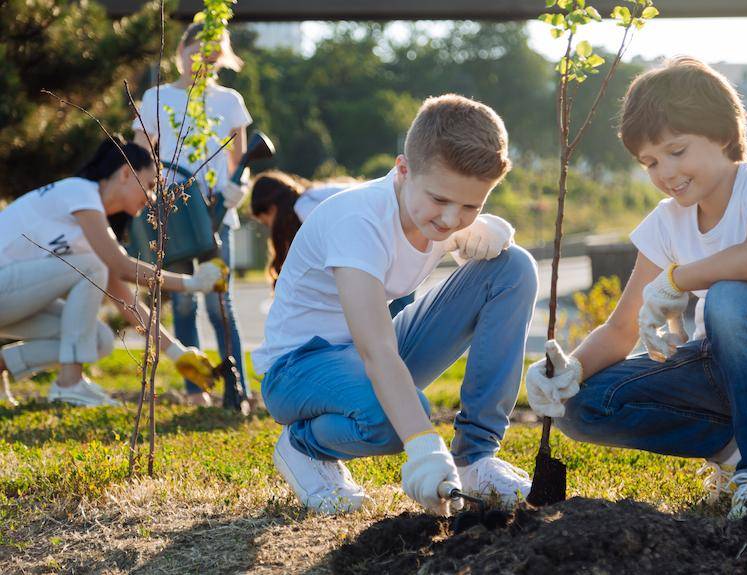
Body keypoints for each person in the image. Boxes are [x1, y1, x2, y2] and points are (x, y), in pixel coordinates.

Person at [525, 57, 747, 520]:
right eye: (650, 162)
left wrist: (676, 278)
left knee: (729, 295)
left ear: (722, 134)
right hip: (717, 371)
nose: (665, 172)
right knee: (581, 406)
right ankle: (731, 451)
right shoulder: (666, 222)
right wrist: (568, 372)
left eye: (676, 151)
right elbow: (620, 329)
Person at [252, 95, 539, 515]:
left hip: (359, 355)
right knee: (395, 420)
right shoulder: (358, 221)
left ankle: (475, 459)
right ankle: (303, 446)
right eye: (440, 199)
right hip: (298, 369)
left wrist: (482, 230)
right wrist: (424, 448)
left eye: (471, 205)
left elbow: (457, 233)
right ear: (403, 169)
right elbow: (377, 351)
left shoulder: (433, 213)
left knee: (513, 267)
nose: (450, 219)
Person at [0, 136, 228, 406]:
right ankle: (69, 384)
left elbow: (126, 300)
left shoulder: (93, 225)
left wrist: (177, 352)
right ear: (125, 173)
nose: (152, 198)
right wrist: (193, 283)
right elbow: (122, 267)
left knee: (100, 340)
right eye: (150, 185)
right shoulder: (80, 192)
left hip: (12, 298)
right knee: (93, 265)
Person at [133, 22, 253, 407]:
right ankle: (195, 390)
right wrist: (150, 193)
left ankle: (237, 389)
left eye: (211, 55)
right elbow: (139, 156)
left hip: (218, 212)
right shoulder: (157, 97)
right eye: (195, 52)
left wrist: (238, 188)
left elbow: (240, 161)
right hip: (175, 214)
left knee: (220, 302)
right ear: (181, 51)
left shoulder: (229, 101)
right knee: (184, 301)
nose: (201, 61)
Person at [249, 170, 415, 316]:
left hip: (392, 249)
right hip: (397, 242)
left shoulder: (306, 209)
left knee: (392, 327)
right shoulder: (313, 196)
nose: (269, 228)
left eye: (266, 222)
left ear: (272, 209)